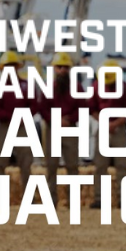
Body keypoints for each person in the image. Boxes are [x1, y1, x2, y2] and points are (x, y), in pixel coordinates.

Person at [0, 51, 36, 210]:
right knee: (0, 164)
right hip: (6, 126)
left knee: (26, 163)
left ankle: (29, 200)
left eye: (13, 66)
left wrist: (22, 117)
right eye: (7, 66)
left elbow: (34, 104)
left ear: (17, 67)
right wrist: (12, 117)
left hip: (23, 126)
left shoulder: (26, 85)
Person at [38, 52, 83, 209]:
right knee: (51, 166)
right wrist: (56, 120)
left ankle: (74, 202)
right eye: (59, 67)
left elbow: (82, 107)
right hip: (52, 129)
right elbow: (42, 108)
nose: (62, 70)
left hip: (70, 128)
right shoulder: (48, 87)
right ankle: (51, 201)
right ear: (54, 69)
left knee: (72, 166)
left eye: (65, 67)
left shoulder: (77, 87)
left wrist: (69, 120)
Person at [89, 59, 126, 209]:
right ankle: (99, 199)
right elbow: (92, 109)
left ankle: (124, 200)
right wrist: (104, 123)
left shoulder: (125, 87)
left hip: (120, 130)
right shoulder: (96, 86)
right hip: (102, 128)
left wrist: (114, 124)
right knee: (100, 166)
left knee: (122, 166)